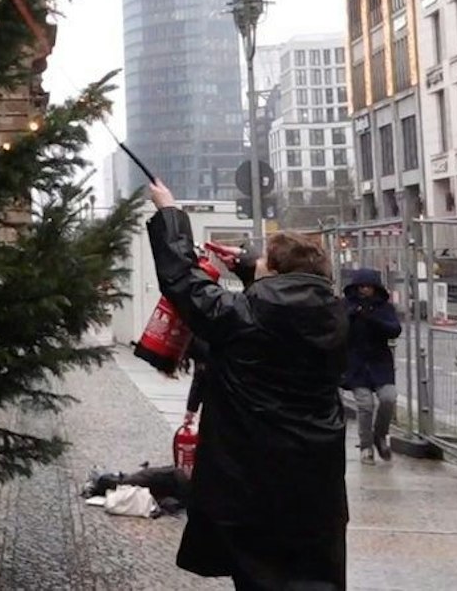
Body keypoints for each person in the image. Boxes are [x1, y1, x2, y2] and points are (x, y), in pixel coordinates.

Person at [146, 181, 350, 591]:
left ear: (272, 272)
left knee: (261, 576)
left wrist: (169, 211)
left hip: (254, 480)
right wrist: (248, 264)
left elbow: (185, 283)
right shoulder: (336, 316)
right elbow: (282, 297)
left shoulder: (243, 316)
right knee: (313, 575)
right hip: (317, 481)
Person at [341, 268, 401, 465]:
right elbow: (338, 328)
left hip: (380, 363)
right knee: (365, 405)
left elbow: (394, 329)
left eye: (367, 286)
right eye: (360, 286)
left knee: (388, 398)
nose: (364, 290)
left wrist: (372, 319)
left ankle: (380, 435)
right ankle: (366, 445)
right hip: (357, 363)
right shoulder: (347, 305)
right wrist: (352, 316)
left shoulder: (384, 308)